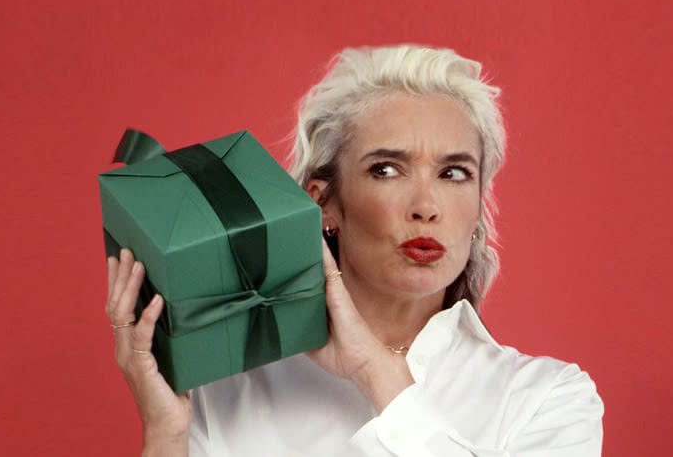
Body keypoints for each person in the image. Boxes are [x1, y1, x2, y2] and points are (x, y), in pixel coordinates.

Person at [104, 45, 604, 456]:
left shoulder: (547, 399)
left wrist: (374, 371)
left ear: (477, 208)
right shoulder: (226, 391)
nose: (426, 206)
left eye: (454, 174)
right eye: (386, 169)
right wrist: (165, 432)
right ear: (325, 206)